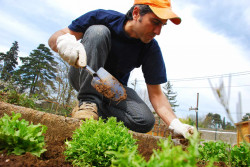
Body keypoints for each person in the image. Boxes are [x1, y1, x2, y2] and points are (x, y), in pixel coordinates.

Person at [48, 0, 194, 138]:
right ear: (136, 13)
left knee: (144, 120)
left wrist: (176, 124)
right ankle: (87, 104)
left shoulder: (150, 48)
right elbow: (53, 39)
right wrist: (63, 42)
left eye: (162, 25)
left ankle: (96, 113)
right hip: (83, 73)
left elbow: (156, 95)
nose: (158, 31)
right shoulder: (102, 17)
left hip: (113, 90)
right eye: (155, 22)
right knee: (98, 31)